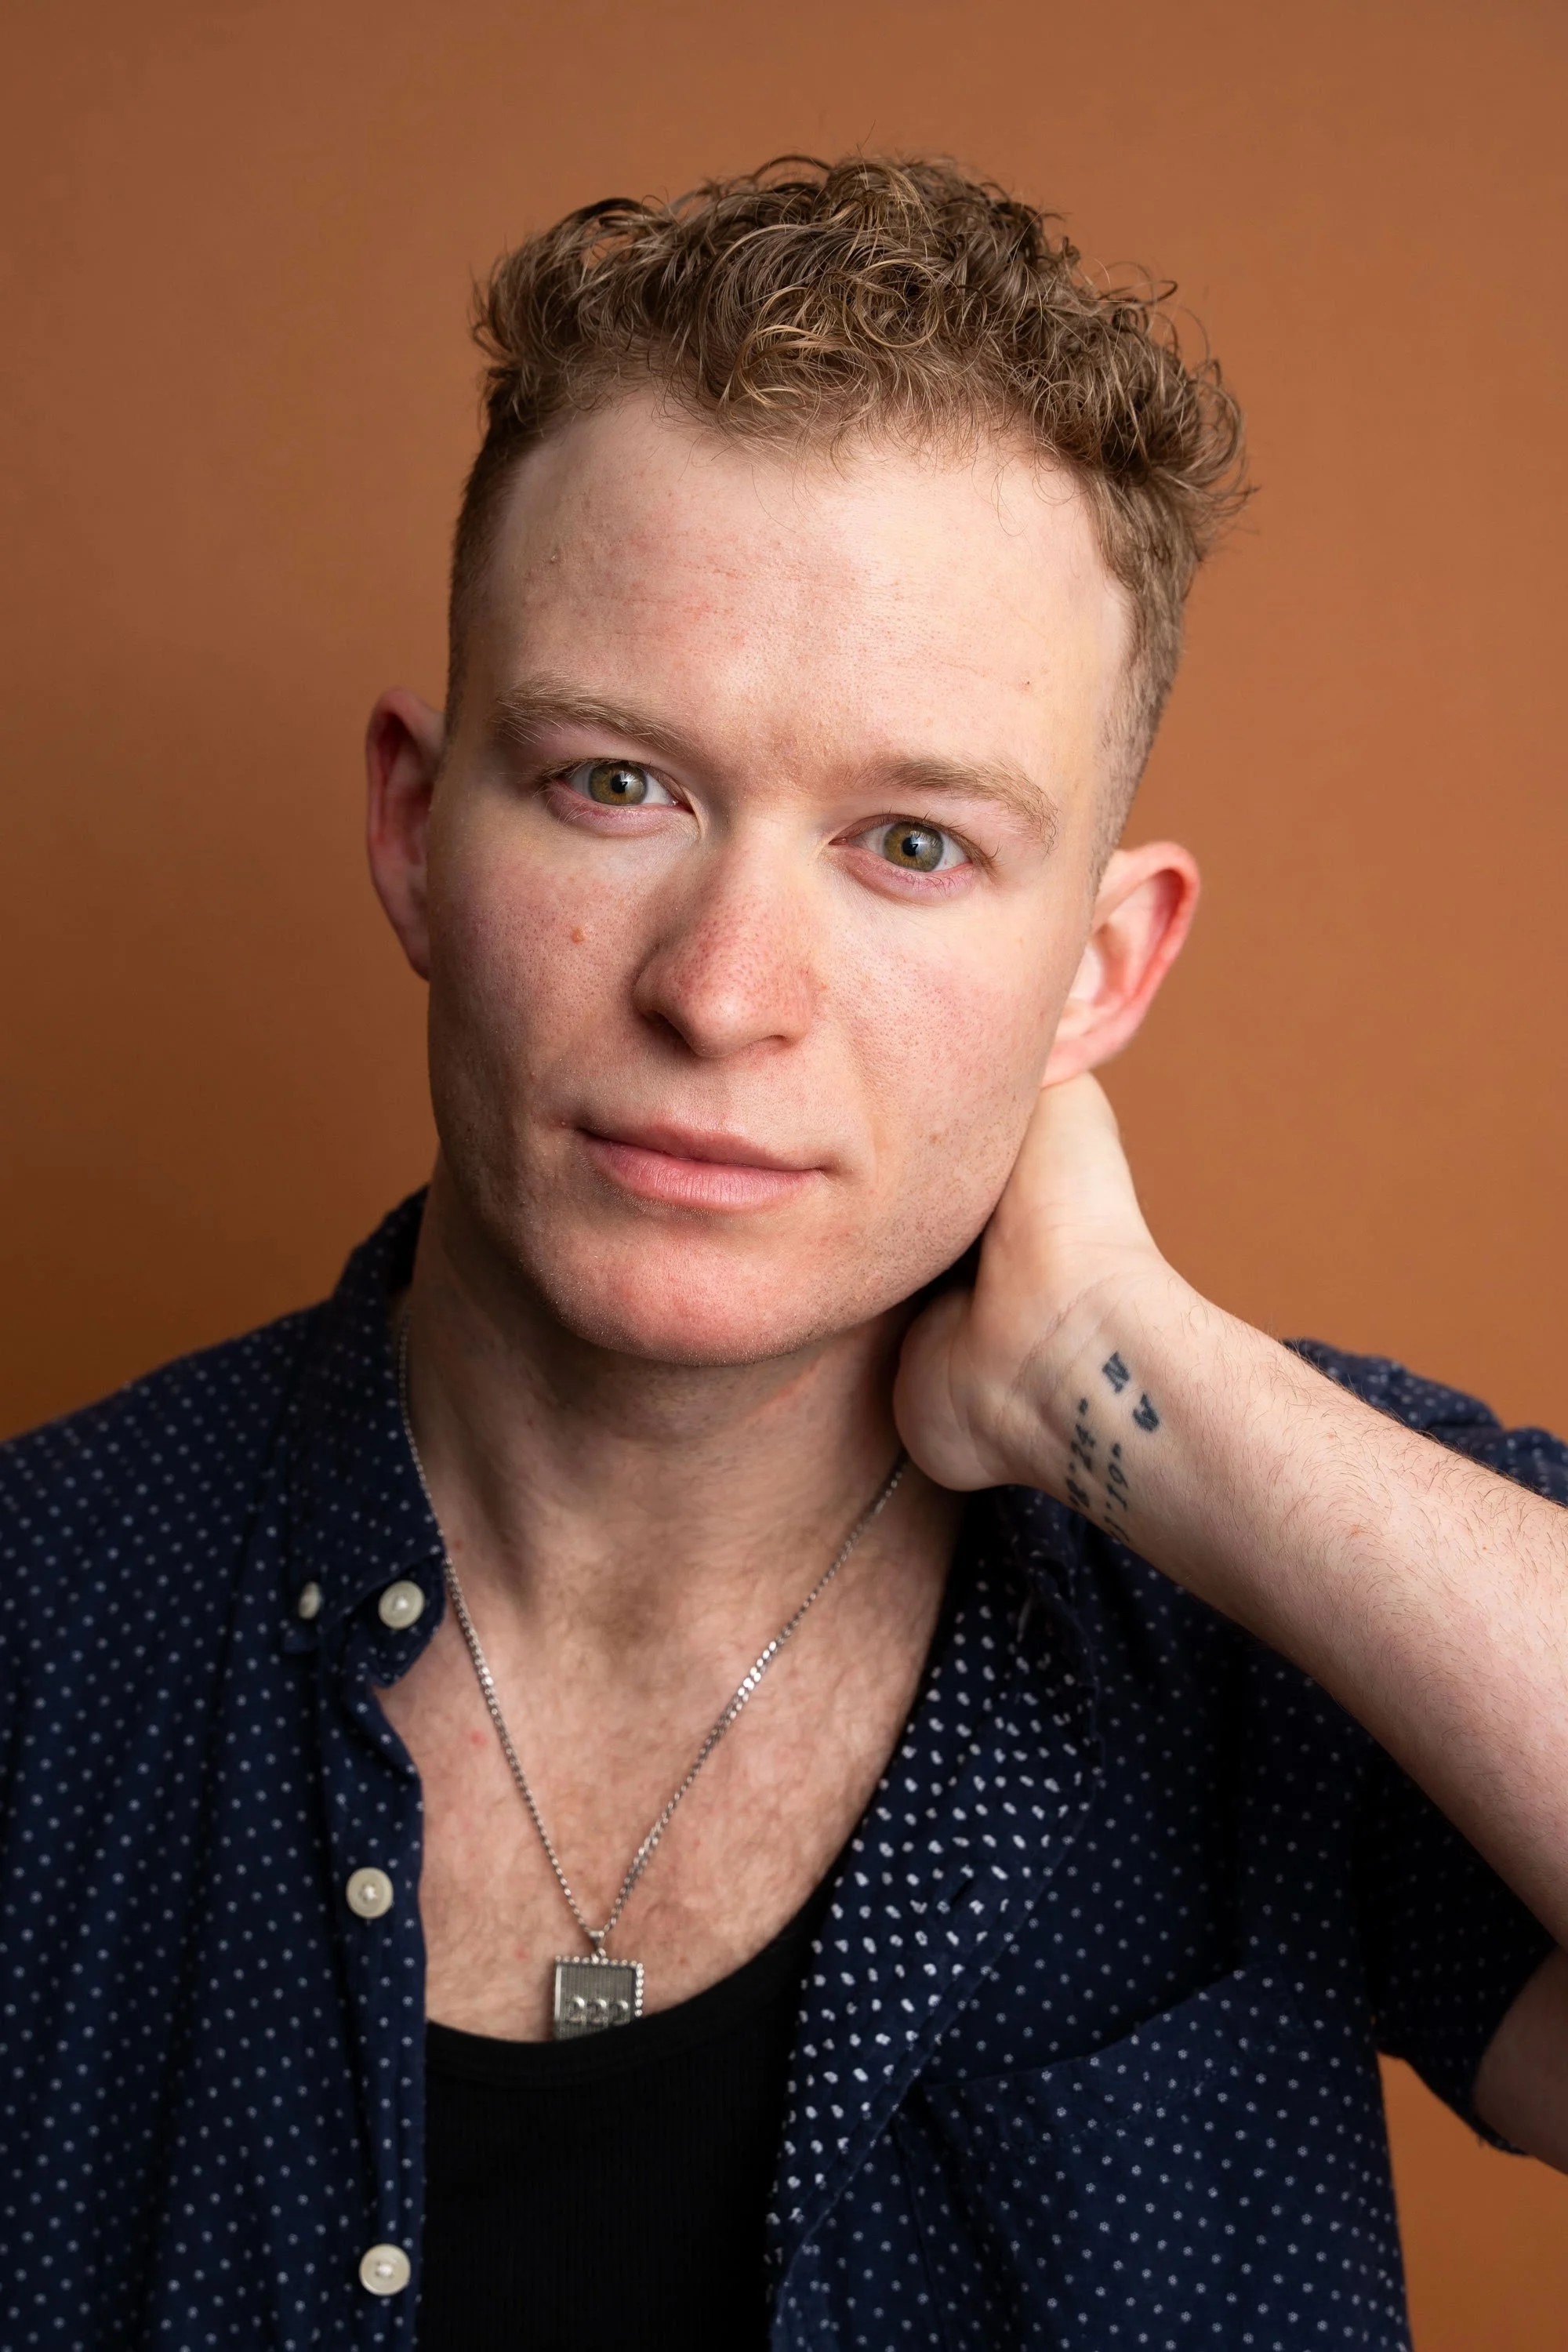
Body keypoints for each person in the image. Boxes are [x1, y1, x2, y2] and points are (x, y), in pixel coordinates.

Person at [2, 153, 1564, 2352]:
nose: (725, 990)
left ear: (1105, 971)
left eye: (913, 845)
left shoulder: (1275, 1594)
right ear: (412, 836)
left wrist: (1148, 1388)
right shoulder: (41, 1635)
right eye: (616, 785)